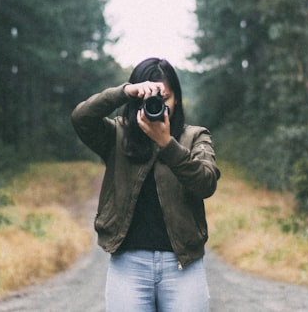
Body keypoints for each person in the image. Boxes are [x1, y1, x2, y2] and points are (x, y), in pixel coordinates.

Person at [71, 57, 220, 312]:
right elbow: (81, 118)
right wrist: (124, 90)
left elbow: (206, 183)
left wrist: (168, 145)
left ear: (177, 99)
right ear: (135, 101)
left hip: (183, 264)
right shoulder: (116, 134)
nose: (158, 104)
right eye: (149, 97)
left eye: (166, 97)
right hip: (128, 264)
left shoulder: (194, 136)